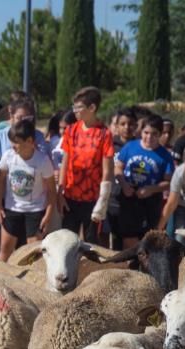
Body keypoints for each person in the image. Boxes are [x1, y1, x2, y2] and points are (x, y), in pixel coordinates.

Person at [58, 87, 114, 244]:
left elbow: (107, 170)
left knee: (91, 241)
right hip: (70, 196)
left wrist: (103, 199)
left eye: (79, 107)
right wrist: (60, 192)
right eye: (73, 107)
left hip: (93, 199)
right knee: (67, 240)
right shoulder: (71, 130)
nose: (75, 110)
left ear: (92, 108)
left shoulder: (104, 133)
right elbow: (65, 161)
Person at [0, 120, 55, 261]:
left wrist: (48, 214)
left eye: (16, 142)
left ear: (29, 141)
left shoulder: (42, 160)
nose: (13, 146)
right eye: (11, 142)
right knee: (5, 249)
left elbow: (52, 190)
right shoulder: (8, 156)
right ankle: (0, 278)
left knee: (33, 253)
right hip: (12, 209)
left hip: (35, 211)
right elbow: (0, 180)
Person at [113, 115, 174, 248]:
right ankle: (129, 264)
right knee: (128, 236)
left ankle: (143, 266)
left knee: (147, 238)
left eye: (154, 134)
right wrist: (124, 184)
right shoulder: (130, 146)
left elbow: (169, 182)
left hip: (150, 200)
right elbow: (118, 167)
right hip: (129, 196)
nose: (149, 137)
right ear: (141, 132)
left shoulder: (165, 155)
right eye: (146, 133)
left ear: (160, 134)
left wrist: (152, 189)